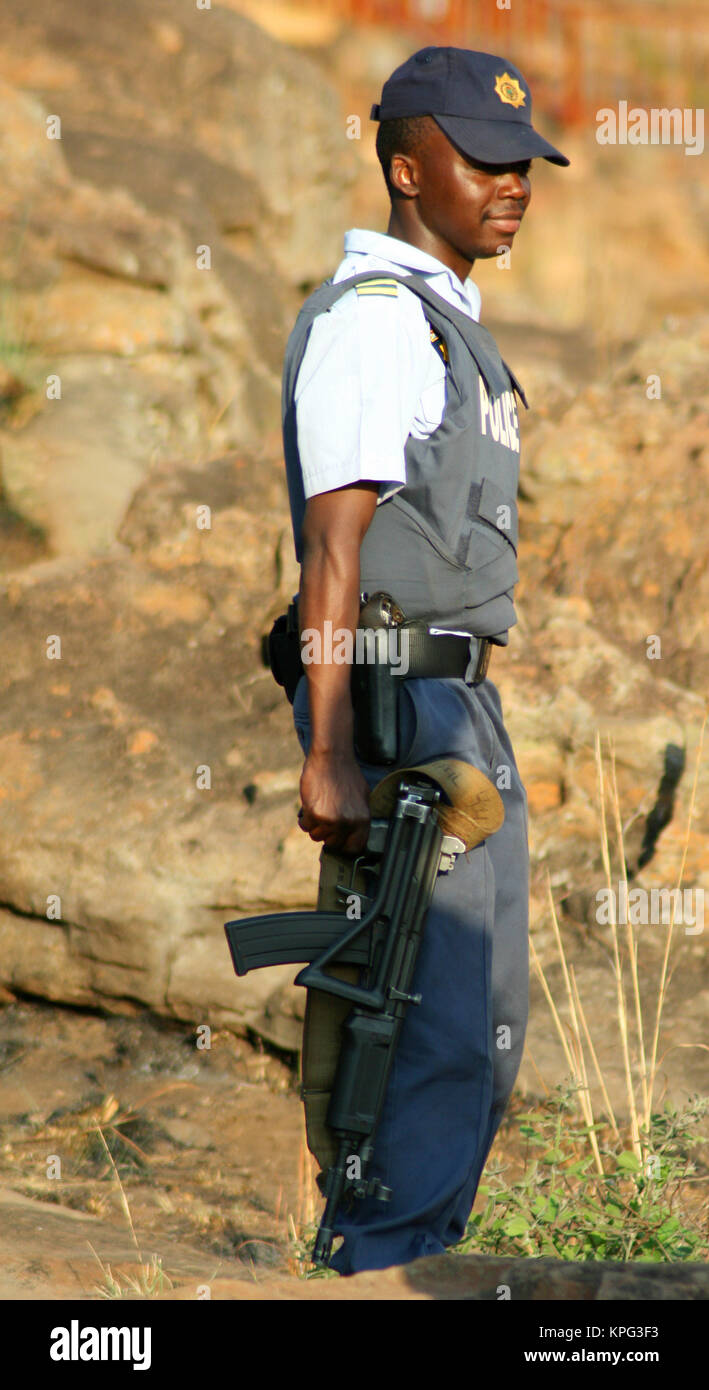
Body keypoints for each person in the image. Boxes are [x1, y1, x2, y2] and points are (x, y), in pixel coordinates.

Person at [281, 46, 569, 1275]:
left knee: (485, 1015)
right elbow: (332, 546)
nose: (512, 185)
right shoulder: (377, 323)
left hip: (461, 704)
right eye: (484, 161)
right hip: (400, 709)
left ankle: (422, 1254)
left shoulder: (448, 323)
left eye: (523, 165)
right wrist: (330, 750)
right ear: (406, 166)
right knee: (420, 1008)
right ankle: (379, 1268)